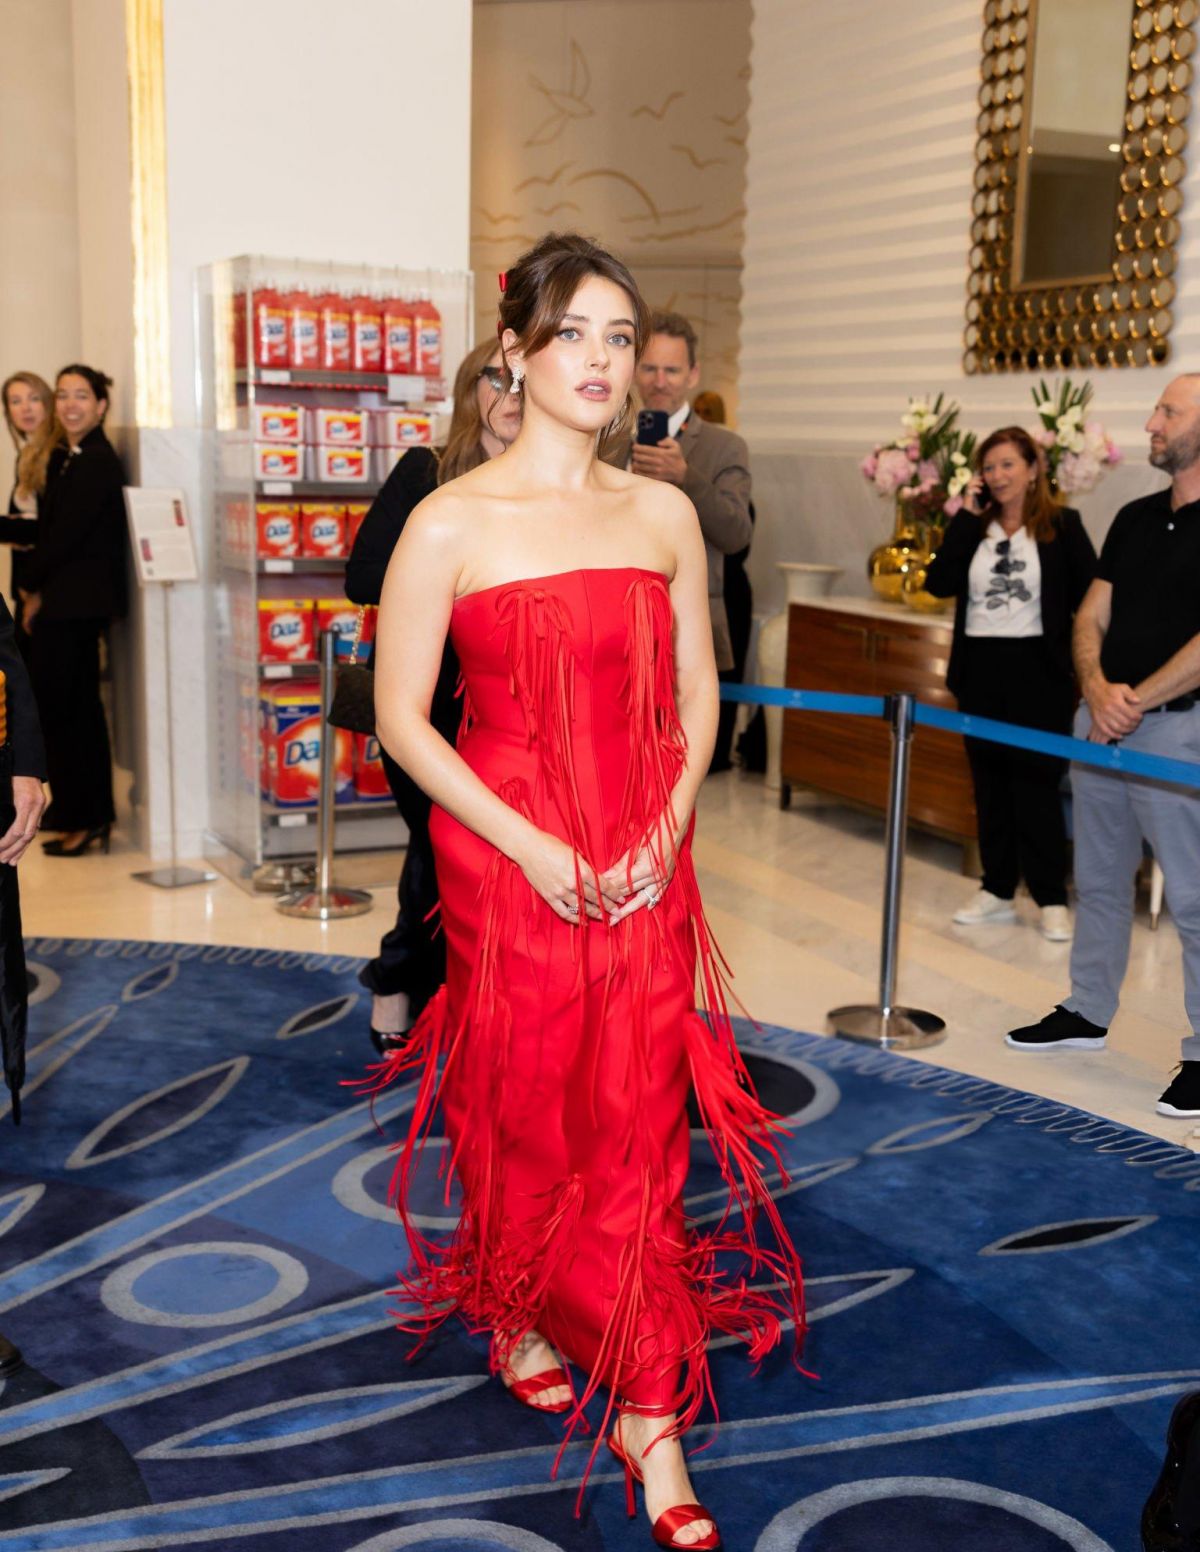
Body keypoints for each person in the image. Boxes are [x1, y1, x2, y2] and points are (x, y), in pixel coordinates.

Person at [361, 233, 803, 1551]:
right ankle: (512, 1301)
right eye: (578, 335)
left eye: (624, 338)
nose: (606, 361)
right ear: (517, 351)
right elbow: (403, 721)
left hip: (640, 840)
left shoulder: (662, 512)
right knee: (526, 1094)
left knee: (632, 1110)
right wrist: (535, 849)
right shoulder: (449, 519)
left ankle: (648, 1411)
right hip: (505, 851)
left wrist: (668, 829)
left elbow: (700, 694)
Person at [1007, 376, 1200, 1120]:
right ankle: (1087, 1010)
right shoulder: (1135, 516)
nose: (1152, 423)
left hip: (1179, 727)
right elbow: (1091, 615)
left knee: (1192, 895)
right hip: (1103, 723)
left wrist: (1136, 698)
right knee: (1098, 876)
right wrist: (1095, 689)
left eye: (1169, 413)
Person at [345, 338, 522, 1053]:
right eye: (495, 379)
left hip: (510, 705)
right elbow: (363, 577)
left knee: (474, 857)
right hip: (423, 699)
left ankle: (454, 994)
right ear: (468, 388)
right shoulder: (427, 472)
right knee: (439, 845)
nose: (510, 395)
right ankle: (397, 979)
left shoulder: (551, 486)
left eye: (523, 380)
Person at [925, 426, 1096, 941]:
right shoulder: (974, 527)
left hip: (1039, 673)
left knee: (1037, 785)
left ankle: (1049, 897)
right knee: (990, 785)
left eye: (1007, 465)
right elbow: (938, 583)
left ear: (1033, 468)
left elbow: (1092, 596)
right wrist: (963, 517)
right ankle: (996, 889)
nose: (997, 476)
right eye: (990, 467)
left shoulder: (1064, 526)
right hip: (980, 670)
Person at [604, 310, 753, 773]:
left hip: (687, 628)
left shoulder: (724, 448)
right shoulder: (605, 437)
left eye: (671, 370)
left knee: (677, 767)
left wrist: (686, 479)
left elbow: (735, 533)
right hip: (611, 623)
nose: (659, 382)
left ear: (692, 374)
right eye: (648, 368)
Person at [21, 365, 127, 856]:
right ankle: (71, 809)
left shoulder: (98, 461)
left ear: (101, 405)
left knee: (76, 712)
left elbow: (61, 540)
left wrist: (30, 586)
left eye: (80, 395)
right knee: (61, 711)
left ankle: (88, 818)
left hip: (78, 608)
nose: (68, 405)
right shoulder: (70, 455)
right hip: (63, 603)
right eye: (62, 395)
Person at [689, 387, 755, 770]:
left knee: (721, 680)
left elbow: (736, 537)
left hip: (727, 591)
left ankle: (718, 752)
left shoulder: (725, 460)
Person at [1, 372, 59, 658]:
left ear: (48, 403)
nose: (25, 408)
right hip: (28, 586)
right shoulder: (28, 454)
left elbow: (43, 530)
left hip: (45, 590)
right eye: (16, 401)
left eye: (34, 399)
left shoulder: (55, 455)